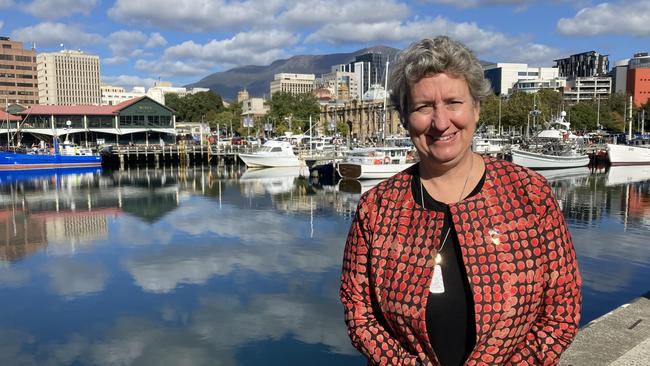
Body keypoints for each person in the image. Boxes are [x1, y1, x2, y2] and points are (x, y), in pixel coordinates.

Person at [340, 36, 581, 366]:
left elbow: (561, 312)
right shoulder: (376, 209)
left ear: (476, 108)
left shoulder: (531, 195)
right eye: (424, 107)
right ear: (404, 117)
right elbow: (360, 314)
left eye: (453, 102)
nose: (441, 123)